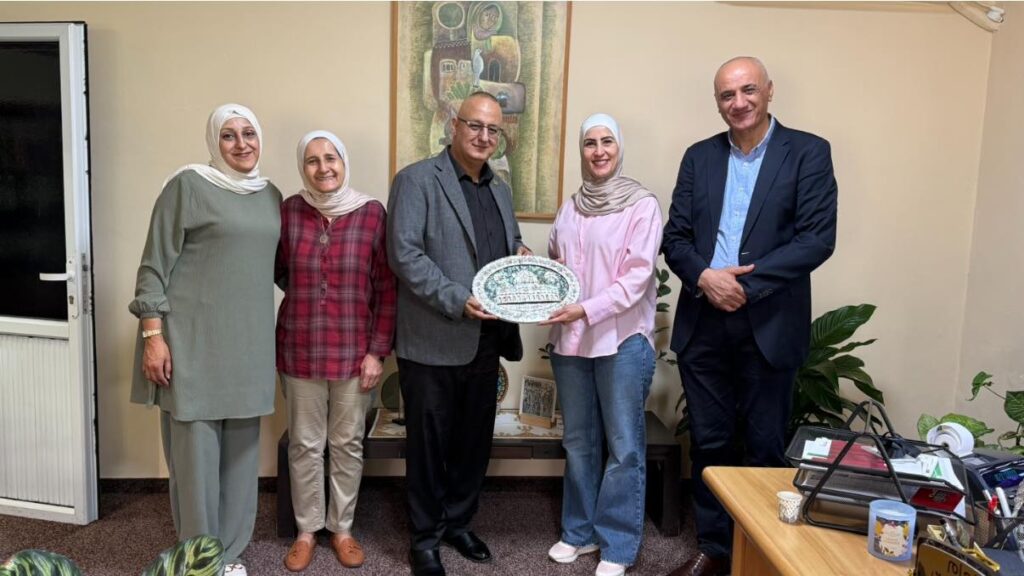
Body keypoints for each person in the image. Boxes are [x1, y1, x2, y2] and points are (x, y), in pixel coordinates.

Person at [661, 56, 838, 576]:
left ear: (769, 91)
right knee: (710, 442)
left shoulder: (807, 152)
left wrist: (742, 286)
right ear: (717, 102)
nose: (738, 103)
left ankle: (757, 555)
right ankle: (715, 549)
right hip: (704, 321)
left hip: (769, 323)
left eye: (748, 90)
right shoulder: (699, 157)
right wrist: (705, 277)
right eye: (727, 95)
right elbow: (676, 238)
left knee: (764, 447)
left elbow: (816, 239)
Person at [129, 103, 282, 576]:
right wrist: (153, 335)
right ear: (214, 141)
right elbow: (153, 266)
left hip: (249, 347)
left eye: (249, 133)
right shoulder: (188, 185)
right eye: (228, 135)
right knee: (195, 463)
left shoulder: (271, 195)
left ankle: (228, 555)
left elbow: (282, 267)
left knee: (240, 461)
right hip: (191, 344)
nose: (241, 143)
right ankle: (199, 560)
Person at [386, 91, 529, 576]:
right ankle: (424, 538)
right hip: (433, 338)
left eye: (493, 129)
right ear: (454, 124)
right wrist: (456, 298)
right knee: (428, 446)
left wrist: (520, 254)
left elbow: (508, 243)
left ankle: (458, 523)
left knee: (473, 442)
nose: (484, 136)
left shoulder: (500, 189)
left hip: (487, 339)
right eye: (475, 125)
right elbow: (404, 254)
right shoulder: (416, 180)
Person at [541, 113, 662, 576]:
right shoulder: (571, 207)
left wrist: (584, 309)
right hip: (571, 343)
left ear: (619, 147)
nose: (598, 151)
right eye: (589, 143)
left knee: (624, 446)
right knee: (578, 442)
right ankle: (579, 532)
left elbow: (636, 279)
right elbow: (558, 261)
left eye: (606, 141)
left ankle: (618, 544)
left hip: (621, 340)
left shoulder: (642, 205)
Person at [276, 130, 397, 571]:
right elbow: (280, 271)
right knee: (305, 445)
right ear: (302, 167)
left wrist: (377, 352)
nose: (323, 167)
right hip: (299, 349)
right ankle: (307, 531)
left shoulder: (371, 213)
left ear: (343, 162)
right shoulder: (289, 211)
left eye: (331, 158)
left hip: (354, 352)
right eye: (312, 160)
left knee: (346, 444)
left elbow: (386, 288)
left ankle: (342, 529)